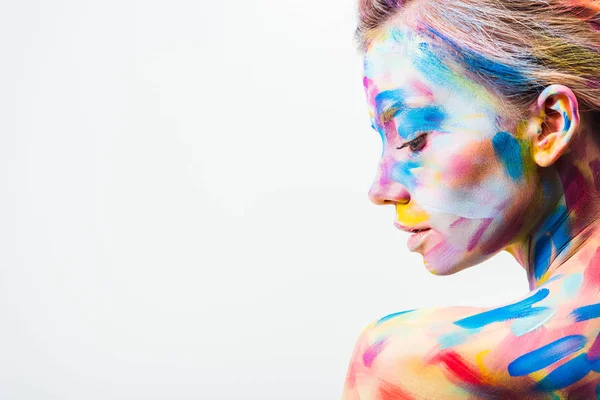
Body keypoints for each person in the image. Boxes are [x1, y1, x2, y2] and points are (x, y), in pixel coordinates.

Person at [342, 0, 600, 398]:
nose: (381, 189)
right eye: (385, 141)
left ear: (550, 125)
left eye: (414, 138)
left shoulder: (406, 365)